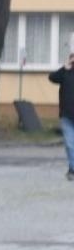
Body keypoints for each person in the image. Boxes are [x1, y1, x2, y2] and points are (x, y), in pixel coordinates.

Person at [51, 48, 74, 181]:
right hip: (67, 115)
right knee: (70, 144)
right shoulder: (65, 73)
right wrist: (64, 67)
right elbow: (51, 77)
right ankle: (72, 169)